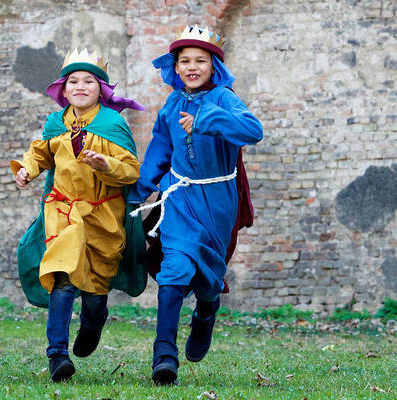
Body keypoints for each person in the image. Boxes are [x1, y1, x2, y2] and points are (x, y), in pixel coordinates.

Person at [128, 25, 263, 385]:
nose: (191, 66)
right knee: (174, 268)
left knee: (207, 279)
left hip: (217, 202)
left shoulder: (224, 97)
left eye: (199, 60)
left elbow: (253, 130)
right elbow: (160, 147)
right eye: (184, 60)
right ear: (175, 67)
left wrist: (206, 121)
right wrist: (141, 188)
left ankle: (206, 311)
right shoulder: (172, 103)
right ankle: (164, 357)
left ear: (213, 66)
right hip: (180, 197)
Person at [12, 49, 147, 382]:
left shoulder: (113, 124)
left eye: (89, 81)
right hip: (63, 210)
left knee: (96, 282)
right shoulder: (55, 123)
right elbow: (39, 153)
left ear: (101, 89)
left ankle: (93, 321)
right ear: (64, 88)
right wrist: (27, 170)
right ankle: (57, 355)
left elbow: (131, 172)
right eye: (74, 81)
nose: (81, 86)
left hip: (103, 215)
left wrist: (106, 165)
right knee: (62, 276)